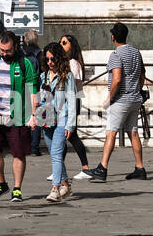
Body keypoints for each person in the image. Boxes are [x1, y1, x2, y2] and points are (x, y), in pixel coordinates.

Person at [0, 31, 38, 202]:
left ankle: (17, 189)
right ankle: (1, 183)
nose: (4, 53)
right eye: (1, 50)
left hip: (17, 114)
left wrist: (34, 114)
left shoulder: (25, 63)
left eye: (8, 50)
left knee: (18, 153)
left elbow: (32, 90)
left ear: (16, 47)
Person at [86, 23, 146, 183]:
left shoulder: (115, 55)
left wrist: (109, 99)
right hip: (135, 99)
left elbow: (117, 78)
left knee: (111, 132)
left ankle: (102, 168)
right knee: (133, 132)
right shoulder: (136, 52)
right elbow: (142, 75)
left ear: (113, 36)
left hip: (121, 100)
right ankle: (140, 168)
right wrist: (137, 89)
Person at [42, 45, 77, 203]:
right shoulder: (43, 76)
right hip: (47, 120)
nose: (50, 62)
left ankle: (55, 189)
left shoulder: (67, 76)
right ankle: (66, 185)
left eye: (53, 59)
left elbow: (72, 102)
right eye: (47, 59)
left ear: (59, 58)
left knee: (56, 154)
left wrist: (71, 125)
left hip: (62, 119)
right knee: (55, 155)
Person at [58, 34, 93, 180]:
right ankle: (59, 168)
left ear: (71, 45)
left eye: (64, 42)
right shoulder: (69, 62)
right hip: (69, 101)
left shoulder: (73, 63)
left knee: (70, 135)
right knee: (65, 135)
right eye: (60, 42)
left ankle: (84, 168)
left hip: (72, 101)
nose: (61, 44)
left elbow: (76, 86)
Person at [23, 30, 46, 157]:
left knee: (23, 115)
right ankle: (34, 147)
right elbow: (43, 71)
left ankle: (25, 145)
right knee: (36, 117)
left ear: (25, 40)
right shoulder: (40, 54)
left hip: (23, 88)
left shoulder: (21, 54)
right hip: (36, 88)